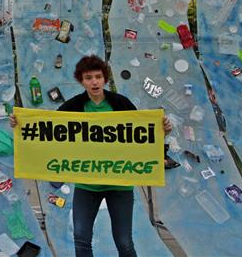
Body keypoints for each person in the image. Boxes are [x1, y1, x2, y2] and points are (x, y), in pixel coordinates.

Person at [11, 55, 172, 257]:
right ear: (81, 81)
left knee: (124, 242)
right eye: (88, 77)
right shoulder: (72, 107)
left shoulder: (121, 103)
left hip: (119, 184)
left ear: (105, 79)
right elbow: (47, 132)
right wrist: (20, 125)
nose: (94, 82)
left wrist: (163, 131)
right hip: (87, 185)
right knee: (81, 238)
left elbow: (142, 136)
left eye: (98, 76)